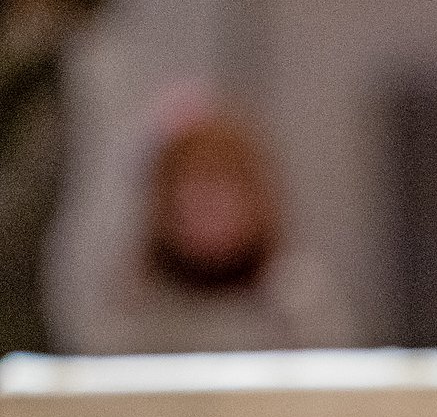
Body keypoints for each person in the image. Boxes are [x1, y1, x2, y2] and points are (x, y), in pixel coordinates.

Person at [67, 99, 350, 355]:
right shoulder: (128, 310)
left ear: (256, 200)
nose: (207, 210)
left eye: (221, 196)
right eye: (193, 197)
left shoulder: (297, 307)